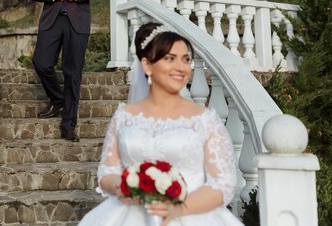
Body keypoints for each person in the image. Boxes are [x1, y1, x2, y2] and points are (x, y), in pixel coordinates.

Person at [78, 23, 244, 226]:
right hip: (129, 214)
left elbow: (223, 183)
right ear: (147, 65)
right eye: (170, 59)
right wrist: (126, 186)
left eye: (186, 60)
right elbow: (107, 173)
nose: (181, 68)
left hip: (190, 215)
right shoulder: (124, 116)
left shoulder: (205, 120)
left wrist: (178, 208)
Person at [26, 0, 110, 142]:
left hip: (77, 22)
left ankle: (69, 125)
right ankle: (58, 99)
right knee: (41, 62)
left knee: (73, 73)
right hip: (52, 21)